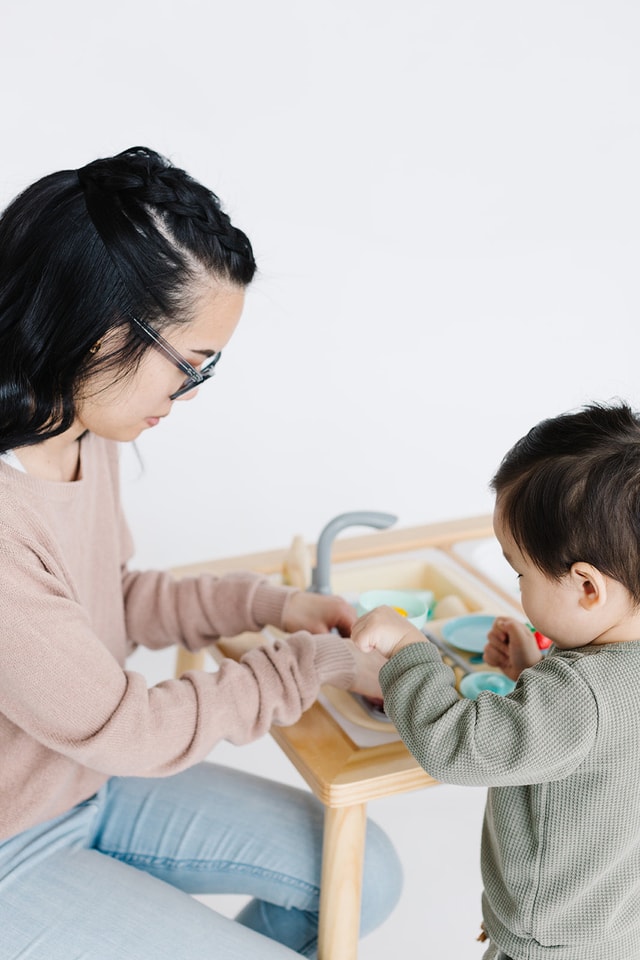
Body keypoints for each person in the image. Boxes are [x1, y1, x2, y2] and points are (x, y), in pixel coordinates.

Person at [0, 146, 402, 960]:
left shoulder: (73, 426)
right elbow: (127, 728)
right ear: (98, 325)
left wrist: (269, 606)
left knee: (367, 877)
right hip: (15, 838)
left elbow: (108, 599)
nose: (184, 395)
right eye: (188, 366)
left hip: (88, 777)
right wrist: (317, 664)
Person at [352, 401, 640, 960]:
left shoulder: (581, 699)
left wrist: (409, 651)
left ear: (587, 588)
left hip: (550, 947)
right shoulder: (598, 687)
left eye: (520, 573)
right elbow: (596, 739)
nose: (517, 588)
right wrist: (533, 674)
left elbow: (456, 746)